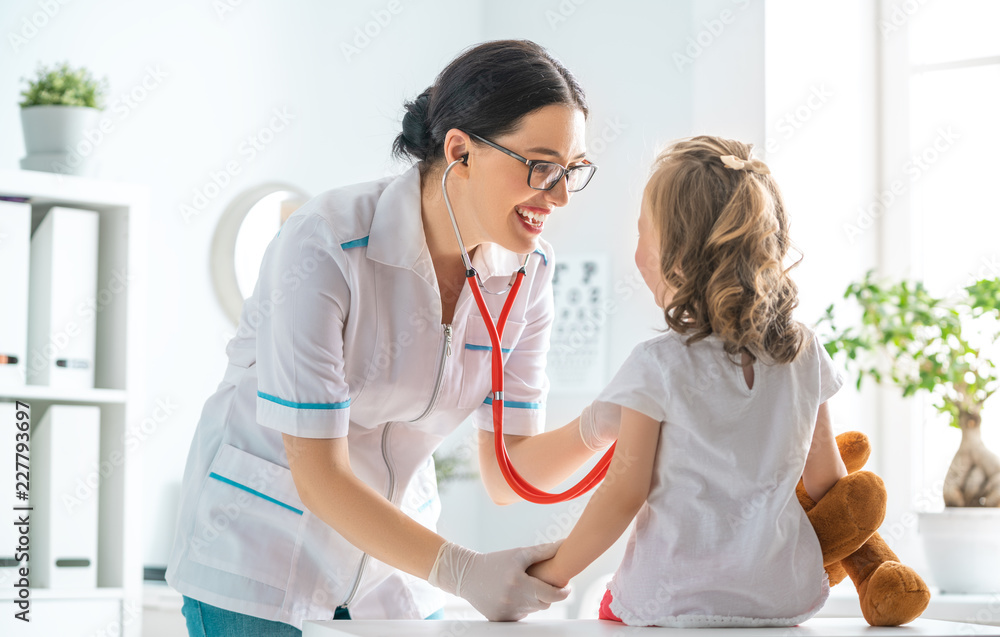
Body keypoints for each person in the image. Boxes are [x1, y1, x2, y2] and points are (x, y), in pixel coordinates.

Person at [166, 39, 617, 635]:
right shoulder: (326, 243)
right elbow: (319, 472)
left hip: (392, 572)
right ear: (460, 150)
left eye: (572, 171)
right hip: (262, 560)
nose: (558, 195)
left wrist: (612, 419)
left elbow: (509, 474)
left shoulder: (528, 276)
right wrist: (463, 572)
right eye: (541, 165)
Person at [527, 136, 848, 627]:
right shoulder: (804, 352)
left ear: (675, 258)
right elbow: (828, 482)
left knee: (610, 609)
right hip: (782, 601)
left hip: (669, 601)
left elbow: (622, 494)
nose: (635, 255)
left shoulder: (657, 364)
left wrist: (548, 577)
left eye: (641, 235)